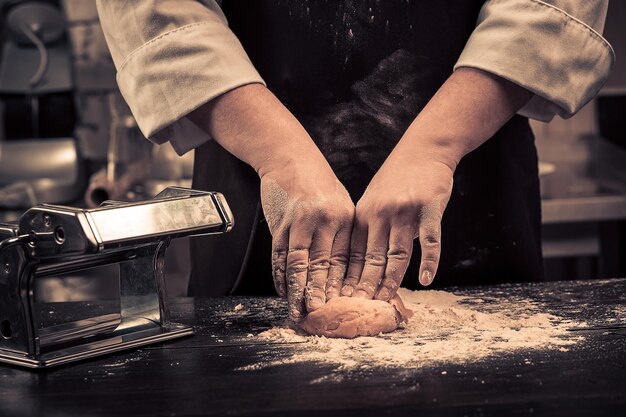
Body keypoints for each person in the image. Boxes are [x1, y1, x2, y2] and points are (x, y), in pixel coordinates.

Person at [96, 1, 613, 322]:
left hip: (476, 177)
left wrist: (434, 149)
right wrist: (283, 160)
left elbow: (547, 12)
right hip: (253, 185)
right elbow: (157, 15)